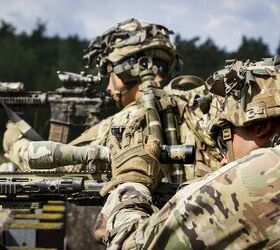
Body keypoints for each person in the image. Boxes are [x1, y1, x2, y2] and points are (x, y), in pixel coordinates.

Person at [96, 57, 280, 249]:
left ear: (260, 126)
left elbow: (133, 245)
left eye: (223, 142)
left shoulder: (261, 175)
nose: (224, 160)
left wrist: (130, 182)